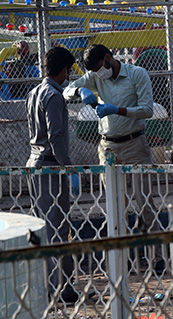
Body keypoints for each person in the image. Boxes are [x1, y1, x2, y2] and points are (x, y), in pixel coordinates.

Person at [63, 44, 164, 273]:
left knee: (145, 202)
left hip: (135, 144)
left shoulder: (137, 74)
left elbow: (147, 109)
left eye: (100, 68)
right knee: (115, 206)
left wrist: (117, 110)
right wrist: (81, 92)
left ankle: (157, 257)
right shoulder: (95, 76)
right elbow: (66, 90)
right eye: (94, 72)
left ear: (109, 58)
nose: (99, 75)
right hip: (108, 148)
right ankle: (122, 259)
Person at [25, 46, 81, 302]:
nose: (68, 76)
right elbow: (57, 137)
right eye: (68, 71)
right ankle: (62, 288)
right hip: (50, 165)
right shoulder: (55, 96)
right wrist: (68, 168)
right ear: (62, 71)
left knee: (41, 227)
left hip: (34, 164)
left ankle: (46, 285)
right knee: (58, 228)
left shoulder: (34, 92)